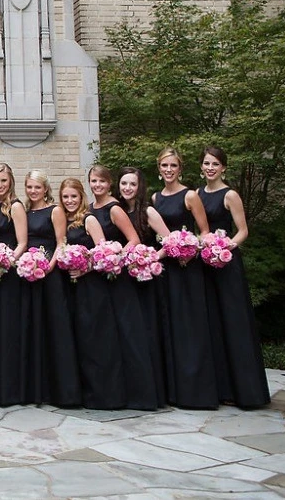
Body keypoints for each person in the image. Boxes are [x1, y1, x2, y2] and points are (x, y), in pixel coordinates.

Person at [198, 146, 270, 408]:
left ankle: (246, 390)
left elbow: (242, 231)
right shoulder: (196, 194)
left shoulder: (230, 195)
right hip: (205, 264)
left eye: (215, 164)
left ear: (223, 167)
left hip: (227, 264)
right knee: (212, 323)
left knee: (233, 321)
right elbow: (199, 230)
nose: (210, 168)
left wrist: (224, 247)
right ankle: (220, 389)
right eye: (206, 163)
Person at [88, 164, 160, 410]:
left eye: (101, 181)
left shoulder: (114, 208)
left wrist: (113, 254)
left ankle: (141, 394)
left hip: (120, 278)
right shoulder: (89, 209)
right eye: (93, 181)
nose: (97, 185)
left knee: (129, 333)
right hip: (100, 280)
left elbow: (134, 240)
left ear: (109, 184)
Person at [151, 149, 218, 409]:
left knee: (189, 325)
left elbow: (204, 233)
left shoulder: (190, 195)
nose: (169, 169)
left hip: (187, 267)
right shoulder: (156, 198)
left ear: (181, 168)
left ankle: (195, 390)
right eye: (164, 165)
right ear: (159, 168)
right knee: (169, 324)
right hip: (166, 268)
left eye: (173, 165)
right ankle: (172, 389)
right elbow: (156, 234)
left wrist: (189, 250)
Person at [60, 177, 125, 409]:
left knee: (95, 338)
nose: (69, 201)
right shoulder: (63, 221)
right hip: (70, 287)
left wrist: (85, 269)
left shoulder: (89, 219)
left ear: (81, 197)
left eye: (74, 197)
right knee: (79, 339)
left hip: (92, 286)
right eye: (65, 197)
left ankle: (105, 395)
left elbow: (105, 253)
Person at [25, 170, 79, 407]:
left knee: (55, 326)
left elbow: (61, 242)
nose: (33, 191)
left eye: (37, 187)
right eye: (29, 187)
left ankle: (62, 390)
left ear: (45, 189)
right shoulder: (26, 212)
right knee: (35, 326)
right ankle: (37, 388)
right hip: (29, 274)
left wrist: (49, 267)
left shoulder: (55, 210)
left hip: (50, 273)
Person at [117, 166, 170, 408]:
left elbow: (169, 242)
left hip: (147, 278)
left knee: (148, 332)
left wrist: (149, 258)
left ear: (140, 187)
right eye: (124, 183)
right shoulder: (117, 210)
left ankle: (155, 391)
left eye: (132, 184)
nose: (127, 188)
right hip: (125, 281)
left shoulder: (147, 211)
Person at [0, 162, 30, 407]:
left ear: (10, 181)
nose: (0, 185)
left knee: (8, 328)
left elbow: (22, 242)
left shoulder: (15, 207)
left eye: (3, 181)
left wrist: (6, 262)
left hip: (9, 272)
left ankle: (11, 389)